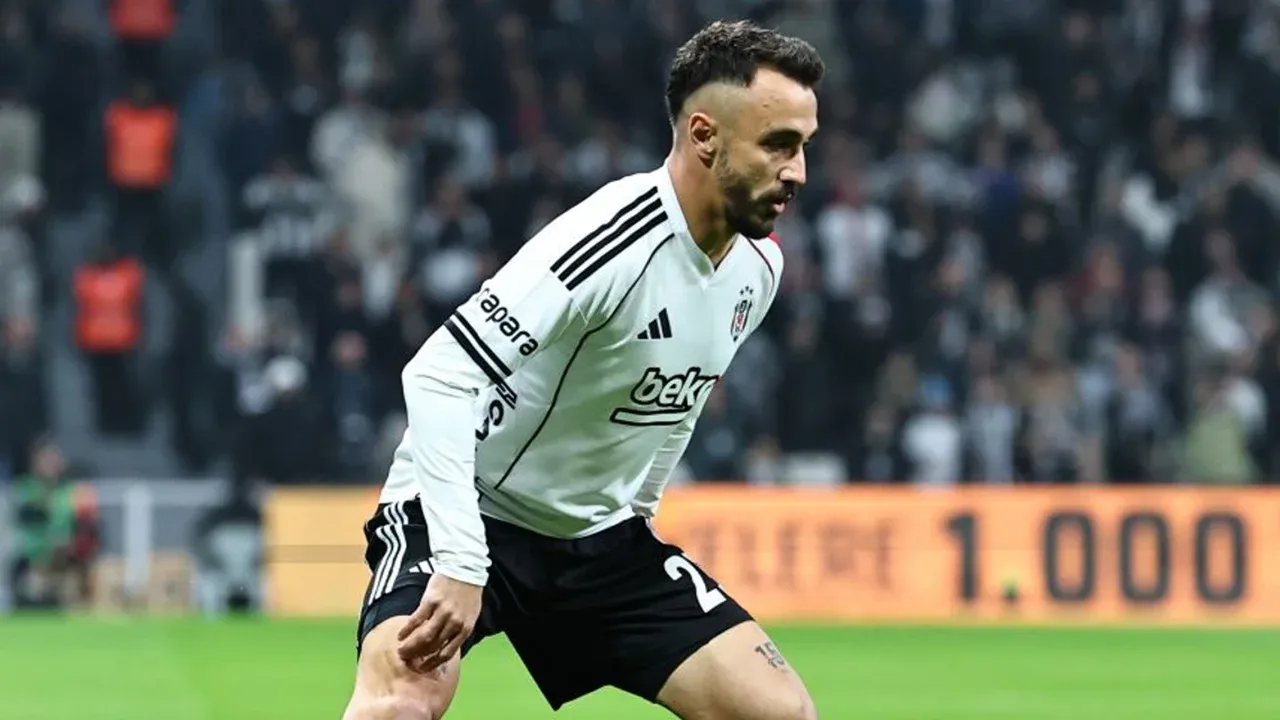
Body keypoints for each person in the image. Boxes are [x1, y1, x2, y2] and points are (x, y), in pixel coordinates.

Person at [344, 20, 822, 720]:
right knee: (401, 704)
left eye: (804, 146)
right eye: (778, 144)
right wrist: (461, 562)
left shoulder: (759, 268)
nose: (798, 171)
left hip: (598, 538)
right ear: (703, 135)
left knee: (781, 714)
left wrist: (640, 512)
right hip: (470, 511)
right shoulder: (610, 241)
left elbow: (679, 401)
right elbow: (439, 374)